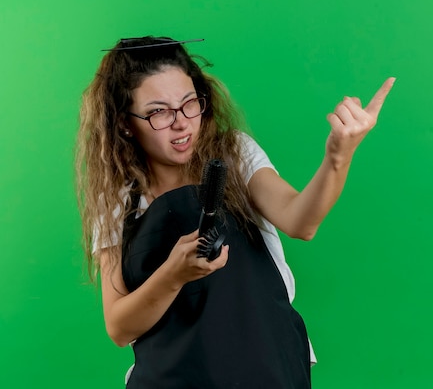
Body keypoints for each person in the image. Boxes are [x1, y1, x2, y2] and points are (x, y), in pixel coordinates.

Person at [75, 36, 395, 388]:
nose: (181, 123)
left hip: (265, 370)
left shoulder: (233, 154)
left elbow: (300, 221)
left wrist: (338, 156)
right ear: (124, 123)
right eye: (158, 112)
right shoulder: (118, 203)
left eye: (188, 103)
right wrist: (173, 275)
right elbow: (119, 327)